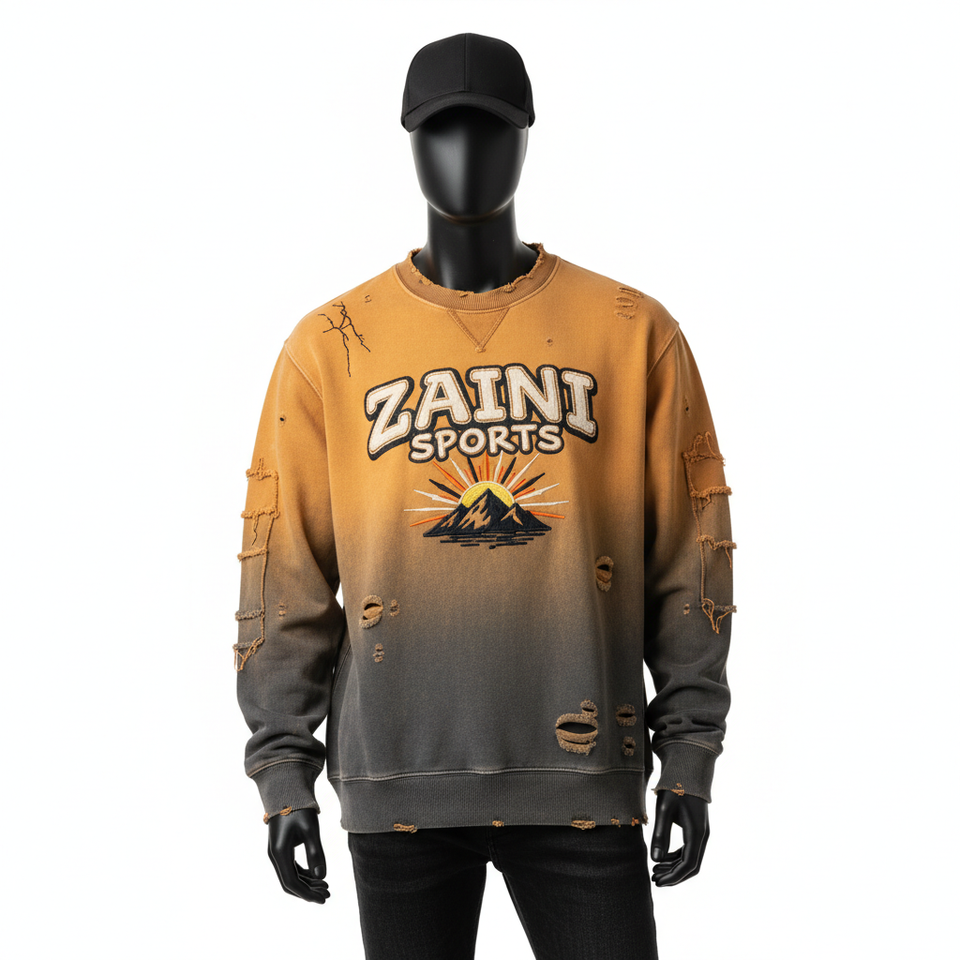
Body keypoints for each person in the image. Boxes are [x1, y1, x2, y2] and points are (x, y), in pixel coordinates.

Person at [233, 33, 734, 960]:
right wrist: (283, 771)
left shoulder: (632, 332)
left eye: (490, 129)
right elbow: (284, 569)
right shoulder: (330, 346)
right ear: (410, 142)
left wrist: (690, 757)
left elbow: (690, 552)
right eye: (441, 130)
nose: (466, 153)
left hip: (584, 777)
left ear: (527, 137)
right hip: (398, 781)